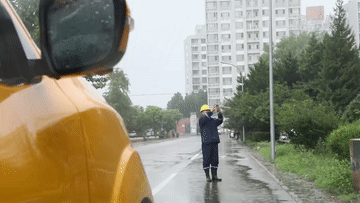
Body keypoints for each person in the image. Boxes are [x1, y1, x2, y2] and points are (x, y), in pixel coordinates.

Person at [199, 104, 223, 182]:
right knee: (206, 159)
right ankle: (207, 176)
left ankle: (214, 176)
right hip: (206, 143)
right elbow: (205, 118)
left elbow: (220, 120)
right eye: (206, 111)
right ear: (202, 112)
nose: (208, 112)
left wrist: (219, 113)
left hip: (214, 142)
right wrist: (211, 112)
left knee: (215, 160)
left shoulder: (212, 120)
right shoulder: (201, 120)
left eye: (208, 110)